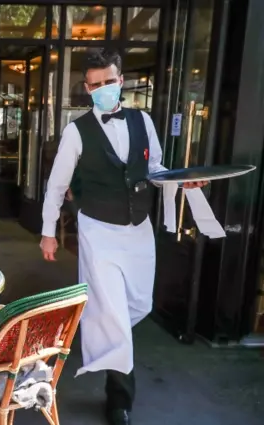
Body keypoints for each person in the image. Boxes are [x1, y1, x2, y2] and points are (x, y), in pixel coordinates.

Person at [39, 49, 207, 425]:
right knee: (113, 313)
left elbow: (155, 169)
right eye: (95, 85)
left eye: (109, 82)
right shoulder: (76, 131)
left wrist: (183, 180)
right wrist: (48, 233)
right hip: (98, 232)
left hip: (138, 232)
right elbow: (56, 187)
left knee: (135, 305)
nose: (103, 89)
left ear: (121, 81)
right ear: (87, 88)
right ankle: (120, 400)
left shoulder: (142, 121)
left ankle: (108, 352)